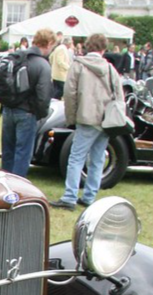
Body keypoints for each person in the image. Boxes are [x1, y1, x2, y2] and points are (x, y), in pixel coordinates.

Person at [50, 33, 124, 211]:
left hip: (86, 117)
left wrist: (71, 117)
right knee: (97, 159)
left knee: (76, 158)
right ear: (103, 49)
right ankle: (89, 196)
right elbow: (119, 96)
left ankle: (70, 197)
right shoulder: (110, 69)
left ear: (87, 46)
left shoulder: (78, 66)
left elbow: (70, 94)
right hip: (105, 120)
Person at [0, 28, 56, 178]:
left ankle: (5, 181)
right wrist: (41, 114)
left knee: (8, 151)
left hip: (8, 108)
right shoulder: (42, 64)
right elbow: (43, 95)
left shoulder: (17, 57)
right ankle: (17, 185)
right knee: (23, 153)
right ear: (49, 43)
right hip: (27, 112)